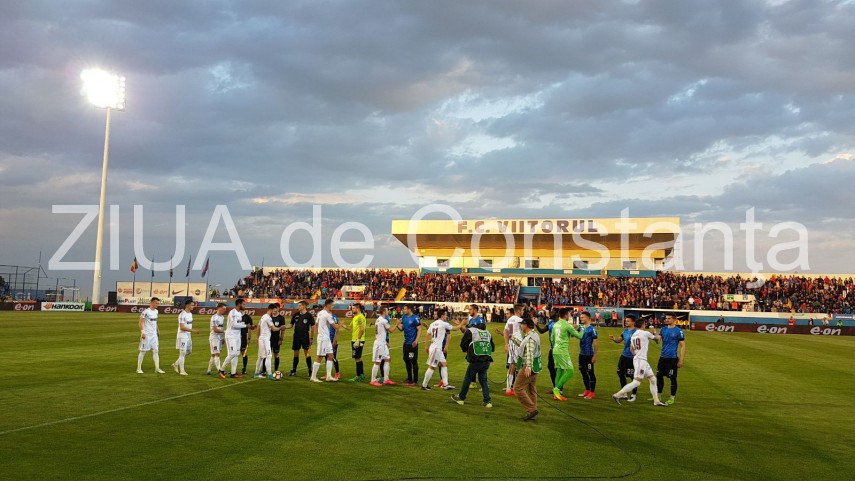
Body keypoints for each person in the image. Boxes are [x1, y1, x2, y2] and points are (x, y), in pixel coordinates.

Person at [613, 318, 667, 407]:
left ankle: (656, 401)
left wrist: (637, 354)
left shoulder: (633, 335)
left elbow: (631, 349)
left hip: (640, 360)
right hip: (640, 361)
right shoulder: (645, 333)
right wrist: (654, 332)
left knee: (653, 379)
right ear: (642, 325)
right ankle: (618, 395)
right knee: (637, 382)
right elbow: (657, 340)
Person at [451, 313, 494, 408]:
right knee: (483, 380)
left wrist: (468, 350)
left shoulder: (472, 331)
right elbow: (493, 347)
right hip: (486, 360)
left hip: (476, 360)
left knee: (468, 378)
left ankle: (461, 398)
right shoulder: (488, 333)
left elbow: (463, 344)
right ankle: (488, 401)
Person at [511, 318, 542, 421]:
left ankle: (532, 410)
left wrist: (528, 366)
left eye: (522, 324)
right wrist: (512, 338)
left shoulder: (530, 338)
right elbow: (524, 345)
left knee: (517, 388)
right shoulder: (534, 335)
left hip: (529, 366)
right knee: (531, 390)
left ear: (526, 325)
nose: (521, 326)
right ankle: (533, 413)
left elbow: (529, 352)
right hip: (536, 366)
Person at [550, 307, 583, 401]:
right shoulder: (567, 325)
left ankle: (556, 394)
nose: (570, 315)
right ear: (565, 315)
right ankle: (556, 389)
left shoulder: (555, 325)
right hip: (562, 351)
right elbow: (580, 336)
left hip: (555, 350)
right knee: (570, 371)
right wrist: (582, 328)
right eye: (569, 314)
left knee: (559, 371)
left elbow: (552, 339)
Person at [656, 312, 686, 405]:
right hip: (662, 357)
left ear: (674, 319)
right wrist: (654, 333)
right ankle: (658, 396)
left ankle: (672, 398)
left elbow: (683, 346)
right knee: (659, 377)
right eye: (666, 318)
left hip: (672, 359)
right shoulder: (663, 329)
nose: (667, 320)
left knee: (672, 378)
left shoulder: (678, 331)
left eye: (669, 318)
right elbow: (658, 341)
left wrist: (681, 360)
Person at [422, 308, 455, 391]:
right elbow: (455, 328)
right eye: (446, 314)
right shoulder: (443, 324)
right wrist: (462, 323)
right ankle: (424, 385)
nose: (446, 316)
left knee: (444, 364)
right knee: (432, 367)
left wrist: (426, 346)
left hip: (436, 348)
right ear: (442, 315)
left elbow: (427, 334)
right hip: (436, 348)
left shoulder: (433, 324)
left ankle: (445, 384)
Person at [495, 304, 524, 397]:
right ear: (519, 311)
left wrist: (507, 344)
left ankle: (509, 388)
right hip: (517, 343)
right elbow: (528, 327)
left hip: (512, 344)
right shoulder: (519, 320)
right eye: (522, 310)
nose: (523, 312)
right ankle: (513, 387)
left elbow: (507, 331)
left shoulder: (510, 320)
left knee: (512, 365)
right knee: (516, 365)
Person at [609, 315, 638, 402]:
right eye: (626, 321)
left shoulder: (637, 332)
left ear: (633, 322)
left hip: (631, 358)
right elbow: (619, 340)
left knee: (632, 377)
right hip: (624, 356)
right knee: (620, 373)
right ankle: (624, 393)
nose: (626, 322)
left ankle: (633, 394)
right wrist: (614, 339)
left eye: (628, 321)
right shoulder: (625, 331)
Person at [254, 303, 288, 380]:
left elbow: (258, 327)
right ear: (271, 309)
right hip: (265, 339)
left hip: (261, 338)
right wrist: (281, 327)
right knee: (268, 356)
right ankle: (269, 374)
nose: (275, 311)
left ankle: (256, 373)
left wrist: (257, 338)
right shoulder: (268, 318)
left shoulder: (263, 316)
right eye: (274, 310)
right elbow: (273, 329)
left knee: (260, 357)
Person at [310, 299, 338, 383]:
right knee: (320, 356)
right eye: (332, 305)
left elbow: (316, 324)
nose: (333, 307)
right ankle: (313, 377)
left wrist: (318, 332)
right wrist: (341, 325)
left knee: (330, 356)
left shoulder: (320, 313)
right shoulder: (327, 314)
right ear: (328, 305)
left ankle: (328, 376)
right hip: (323, 338)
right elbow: (335, 326)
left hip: (325, 337)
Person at [370, 307, 398, 386]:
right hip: (379, 344)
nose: (388, 311)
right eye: (387, 310)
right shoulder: (383, 320)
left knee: (387, 359)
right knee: (377, 362)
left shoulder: (378, 320)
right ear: (383, 311)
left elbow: (381, 332)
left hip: (383, 343)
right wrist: (397, 324)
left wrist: (385, 342)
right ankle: (373, 380)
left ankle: (386, 379)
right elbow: (391, 330)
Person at [220, 298, 247, 378]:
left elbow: (238, 323)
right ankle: (221, 369)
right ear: (239, 304)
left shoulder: (239, 313)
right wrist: (246, 325)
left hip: (237, 336)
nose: (244, 306)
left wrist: (247, 325)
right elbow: (234, 325)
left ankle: (233, 373)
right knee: (233, 353)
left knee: (236, 354)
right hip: (231, 335)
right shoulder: (233, 312)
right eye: (243, 304)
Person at [137, 297, 165, 374]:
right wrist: (143, 332)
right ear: (152, 303)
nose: (157, 305)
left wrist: (157, 330)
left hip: (154, 335)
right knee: (143, 351)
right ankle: (139, 368)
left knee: (156, 351)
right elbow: (140, 322)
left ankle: (157, 368)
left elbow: (155, 322)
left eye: (158, 303)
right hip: (147, 335)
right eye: (156, 303)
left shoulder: (156, 311)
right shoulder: (146, 312)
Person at [172, 300, 199, 376]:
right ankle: (182, 371)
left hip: (188, 335)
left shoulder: (190, 314)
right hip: (182, 335)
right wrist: (193, 330)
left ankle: (176, 364)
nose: (193, 306)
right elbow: (182, 327)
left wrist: (190, 331)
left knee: (189, 351)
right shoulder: (182, 314)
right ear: (187, 305)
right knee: (183, 352)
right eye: (192, 305)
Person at [289, 301, 315, 376]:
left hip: (305, 336)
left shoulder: (309, 315)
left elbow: (313, 327)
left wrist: (311, 338)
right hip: (296, 336)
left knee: (307, 353)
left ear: (304, 306)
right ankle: (294, 370)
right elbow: (291, 325)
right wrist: (282, 327)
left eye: (299, 305)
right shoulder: (296, 315)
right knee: (296, 353)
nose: (298, 307)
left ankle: (310, 370)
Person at [577, 311, 599, 399]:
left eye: (582, 317)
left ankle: (592, 392)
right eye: (581, 317)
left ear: (588, 318)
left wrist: (595, 355)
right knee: (583, 372)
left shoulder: (592, 329)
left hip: (589, 354)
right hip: (581, 354)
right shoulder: (581, 328)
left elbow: (596, 343)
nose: (581, 319)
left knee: (590, 372)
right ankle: (587, 390)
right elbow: (574, 333)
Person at [399, 305, 423, 386]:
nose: (403, 310)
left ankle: (415, 381)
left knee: (413, 360)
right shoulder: (404, 317)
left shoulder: (415, 318)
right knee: (406, 359)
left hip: (412, 343)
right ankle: (409, 378)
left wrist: (416, 340)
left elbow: (419, 330)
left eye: (405, 309)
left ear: (409, 309)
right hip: (406, 343)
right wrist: (398, 325)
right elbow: (402, 329)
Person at [535, 311, 557, 388]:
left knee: (556, 368)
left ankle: (559, 388)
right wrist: (536, 324)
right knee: (551, 367)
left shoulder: (559, 324)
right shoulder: (550, 324)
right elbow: (541, 331)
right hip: (552, 349)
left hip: (558, 349)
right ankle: (556, 387)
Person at [347, 303, 367, 382]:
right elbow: (349, 328)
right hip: (354, 339)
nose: (352, 310)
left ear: (358, 309)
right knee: (358, 357)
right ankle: (361, 374)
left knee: (357, 358)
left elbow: (362, 329)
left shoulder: (360, 317)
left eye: (353, 308)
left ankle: (358, 375)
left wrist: (358, 340)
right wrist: (341, 325)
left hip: (358, 340)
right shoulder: (355, 317)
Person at [267, 304, 288, 374]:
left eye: (275, 308)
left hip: (276, 338)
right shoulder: (269, 317)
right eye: (273, 309)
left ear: (278, 308)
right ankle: (264, 370)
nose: (274, 310)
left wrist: (281, 339)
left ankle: (276, 370)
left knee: (276, 354)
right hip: (268, 338)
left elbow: (283, 330)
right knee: (267, 354)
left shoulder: (281, 318)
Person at [207, 303, 226, 375]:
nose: (224, 310)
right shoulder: (214, 317)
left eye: (225, 309)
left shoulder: (222, 317)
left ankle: (209, 370)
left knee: (213, 355)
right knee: (217, 354)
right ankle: (220, 370)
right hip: (214, 337)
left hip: (219, 338)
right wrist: (225, 332)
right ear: (219, 308)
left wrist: (222, 337)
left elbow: (221, 327)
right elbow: (215, 329)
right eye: (223, 308)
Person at [240, 310, 254, 375]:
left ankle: (244, 368)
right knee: (234, 353)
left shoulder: (247, 317)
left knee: (244, 352)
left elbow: (250, 328)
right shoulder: (235, 316)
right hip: (235, 336)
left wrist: (249, 338)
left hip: (243, 336)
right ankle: (233, 369)